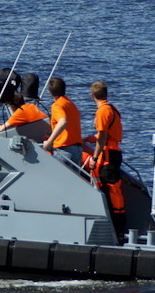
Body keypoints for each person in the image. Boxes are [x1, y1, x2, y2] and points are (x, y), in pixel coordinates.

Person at [84, 81, 126, 238]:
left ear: (92, 96)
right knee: (115, 190)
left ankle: (115, 227)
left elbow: (102, 137)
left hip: (108, 155)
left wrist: (94, 157)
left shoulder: (102, 112)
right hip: (115, 152)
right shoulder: (113, 109)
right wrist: (92, 138)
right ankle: (119, 226)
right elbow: (107, 134)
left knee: (109, 190)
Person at [0, 74, 51, 142]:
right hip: (47, 133)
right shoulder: (30, 106)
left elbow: (0, 130)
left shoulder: (20, 113)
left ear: (12, 106)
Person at [42, 77, 83, 166]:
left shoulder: (57, 105)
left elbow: (63, 122)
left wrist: (49, 142)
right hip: (78, 150)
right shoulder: (71, 104)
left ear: (51, 92)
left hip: (65, 150)